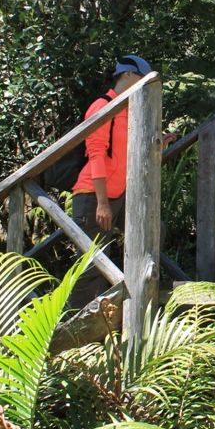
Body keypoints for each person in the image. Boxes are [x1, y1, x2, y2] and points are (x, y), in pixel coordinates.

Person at [69, 55, 176, 309]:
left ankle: (132, 301)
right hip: (93, 195)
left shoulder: (130, 109)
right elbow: (96, 152)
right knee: (90, 267)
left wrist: (159, 144)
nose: (143, 86)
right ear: (127, 75)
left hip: (122, 194)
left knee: (154, 231)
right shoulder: (102, 105)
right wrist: (102, 202)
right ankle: (70, 327)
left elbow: (130, 154)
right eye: (142, 80)